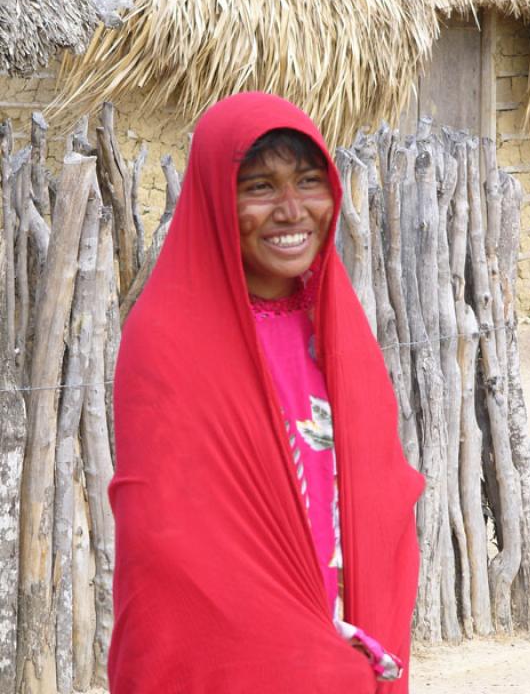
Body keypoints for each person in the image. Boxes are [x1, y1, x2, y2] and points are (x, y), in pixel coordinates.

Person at [108, 92, 424, 694]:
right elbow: (173, 553)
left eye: (309, 181)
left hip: (355, 648)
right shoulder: (170, 341)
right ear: (214, 201)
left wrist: (356, 646)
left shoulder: (336, 332)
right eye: (259, 187)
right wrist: (306, 658)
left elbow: (383, 496)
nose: (291, 209)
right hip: (244, 666)